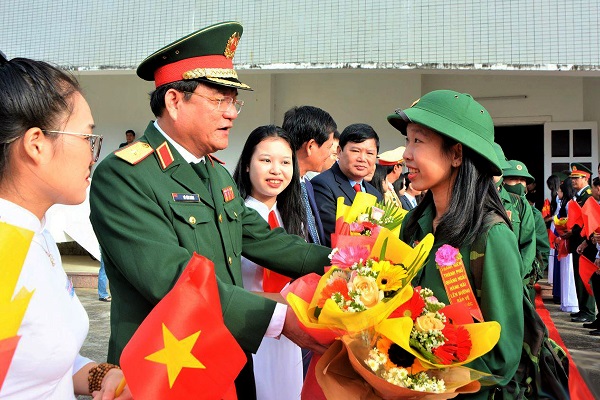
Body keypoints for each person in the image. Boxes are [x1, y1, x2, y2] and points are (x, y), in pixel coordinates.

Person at [89, 22, 331, 398]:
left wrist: (345, 263)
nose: (232, 113)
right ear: (174, 101)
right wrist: (281, 319)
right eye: (219, 100)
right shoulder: (124, 176)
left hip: (226, 358)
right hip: (164, 369)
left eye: (234, 102)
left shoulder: (215, 173)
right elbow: (173, 279)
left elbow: (266, 241)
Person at [0, 53, 130, 399]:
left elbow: (30, 365)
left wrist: (100, 376)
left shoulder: (36, 235)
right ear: (36, 144)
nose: (93, 155)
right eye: (87, 137)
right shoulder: (5, 250)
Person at [390, 90, 523, 398]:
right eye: (407, 141)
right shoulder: (414, 225)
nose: (406, 154)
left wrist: (432, 373)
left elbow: (501, 357)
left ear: (457, 155)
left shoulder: (491, 237)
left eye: (418, 141)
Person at [232, 125, 305, 400]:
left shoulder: (292, 217)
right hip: (248, 329)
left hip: (289, 332)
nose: (276, 170)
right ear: (247, 165)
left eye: (285, 162)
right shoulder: (233, 217)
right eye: (266, 160)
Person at [312, 123, 383, 246]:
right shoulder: (322, 185)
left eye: (370, 153)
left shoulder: (375, 194)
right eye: (355, 151)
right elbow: (330, 235)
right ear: (339, 151)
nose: (362, 158)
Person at [282, 105, 337, 244]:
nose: (329, 154)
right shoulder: (279, 186)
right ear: (310, 146)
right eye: (329, 147)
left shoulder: (306, 185)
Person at [503, 159, 550, 300]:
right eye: (513, 179)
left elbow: (542, 250)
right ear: (503, 181)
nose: (519, 184)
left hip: (523, 282)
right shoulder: (492, 207)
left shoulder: (534, 214)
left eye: (522, 180)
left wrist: (530, 277)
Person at [565, 163, 596, 323]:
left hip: (586, 242)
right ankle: (583, 308)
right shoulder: (579, 196)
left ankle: (588, 311)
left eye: (577, 178)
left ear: (586, 179)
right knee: (578, 276)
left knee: (585, 276)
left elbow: (588, 221)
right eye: (572, 178)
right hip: (577, 241)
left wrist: (573, 232)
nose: (573, 181)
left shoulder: (588, 196)